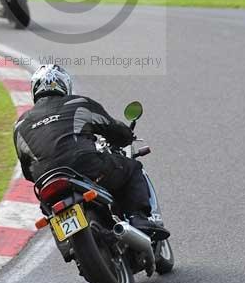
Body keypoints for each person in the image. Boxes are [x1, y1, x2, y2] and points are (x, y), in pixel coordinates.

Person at [14, 64, 169, 238]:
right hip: (84, 166)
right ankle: (137, 217)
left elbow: (27, 171)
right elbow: (113, 129)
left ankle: (68, 242)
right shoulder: (78, 103)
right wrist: (126, 136)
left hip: (45, 182)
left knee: (49, 211)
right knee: (132, 168)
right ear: (65, 85)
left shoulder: (20, 125)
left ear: (34, 90)